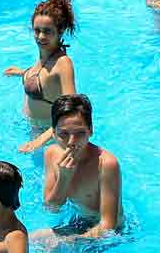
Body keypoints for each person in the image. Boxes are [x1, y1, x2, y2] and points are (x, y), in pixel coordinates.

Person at [39, 94, 123, 240]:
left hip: (109, 235)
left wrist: (69, 242)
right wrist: (64, 178)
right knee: (30, 241)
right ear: (53, 133)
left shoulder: (106, 164)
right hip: (78, 223)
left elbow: (109, 225)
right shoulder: (51, 154)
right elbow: (51, 208)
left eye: (80, 133)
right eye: (63, 134)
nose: (71, 141)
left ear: (91, 130)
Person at [11, 0, 78, 152]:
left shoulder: (63, 63)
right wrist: (24, 73)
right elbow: (45, 77)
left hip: (48, 136)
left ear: (60, 31)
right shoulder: (45, 56)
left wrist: (39, 141)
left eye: (47, 31)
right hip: (31, 128)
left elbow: (72, 109)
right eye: (37, 30)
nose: (41, 36)